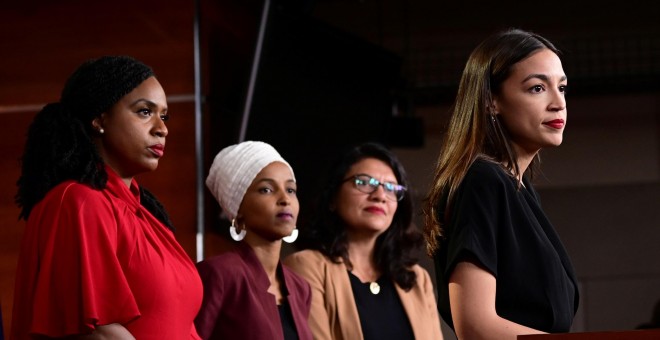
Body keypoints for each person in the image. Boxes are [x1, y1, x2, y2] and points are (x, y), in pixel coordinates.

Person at [11, 56, 203, 339]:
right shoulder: (79, 202)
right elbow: (98, 332)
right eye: (144, 112)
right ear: (99, 119)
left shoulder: (147, 214)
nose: (162, 128)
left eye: (164, 115)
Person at [422, 28, 580, 339]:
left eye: (561, 88)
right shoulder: (482, 181)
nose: (557, 103)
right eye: (537, 88)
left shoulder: (520, 190)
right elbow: (476, 325)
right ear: (491, 101)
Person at [284, 142, 443, 340]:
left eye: (391, 188)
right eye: (364, 182)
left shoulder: (418, 279)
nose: (380, 196)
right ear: (332, 197)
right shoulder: (305, 267)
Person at [195, 141, 313, 340]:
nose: (285, 199)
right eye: (266, 189)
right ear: (238, 210)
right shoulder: (219, 274)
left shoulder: (301, 288)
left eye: (291, 190)